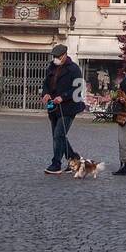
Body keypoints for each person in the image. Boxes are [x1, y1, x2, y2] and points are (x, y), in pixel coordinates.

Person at [40, 44, 86, 175]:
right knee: (58, 135)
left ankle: (56, 163)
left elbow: (77, 90)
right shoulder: (51, 67)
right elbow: (45, 84)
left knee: (58, 134)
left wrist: (63, 97)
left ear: (64, 55)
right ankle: (74, 158)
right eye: (54, 57)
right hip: (53, 106)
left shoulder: (74, 69)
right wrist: (45, 94)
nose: (55, 59)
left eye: (58, 57)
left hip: (68, 108)